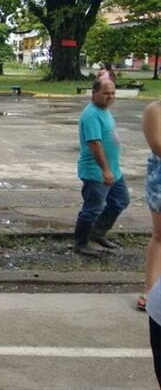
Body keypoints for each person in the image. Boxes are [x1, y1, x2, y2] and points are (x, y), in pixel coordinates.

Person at [74, 79, 129, 256]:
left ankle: (97, 232)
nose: (110, 97)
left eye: (113, 93)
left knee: (120, 200)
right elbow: (95, 144)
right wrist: (105, 169)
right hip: (96, 171)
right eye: (106, 93)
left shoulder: (104, 111)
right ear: (94, 93)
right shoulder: (91, 115)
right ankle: (81, 243)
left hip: (113, 170)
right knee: (92, 208)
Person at [141, 101, 161, 310]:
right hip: (160, 180)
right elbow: (158, 145)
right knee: (160, 235)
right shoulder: (154, 111)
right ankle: (151, 289)